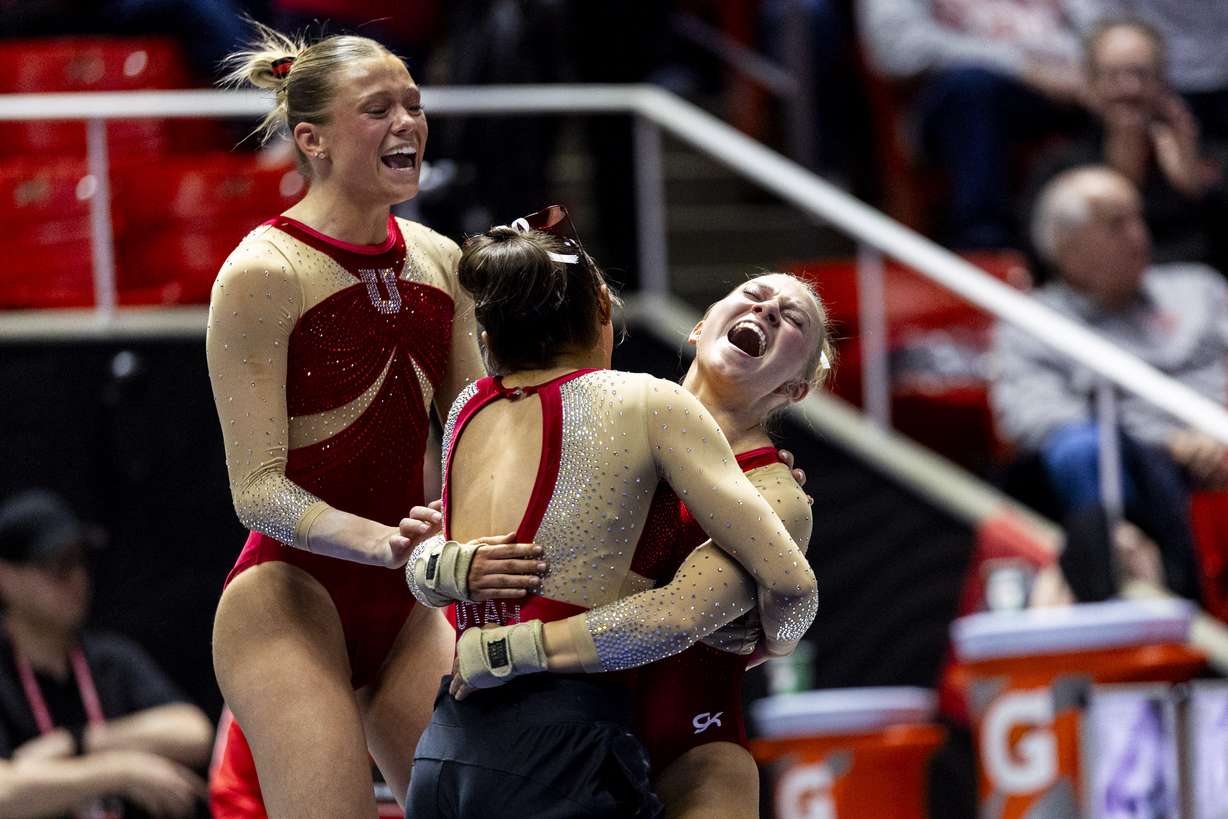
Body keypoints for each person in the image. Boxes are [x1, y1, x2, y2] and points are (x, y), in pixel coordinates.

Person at [401, 211, 821, 817]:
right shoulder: (613, 413)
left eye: (794, 320)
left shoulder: (775, 490)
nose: (770, 310)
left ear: (796, 388)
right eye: (755, 295)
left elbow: (712, 608)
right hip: (568, 722)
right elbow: (475, 546)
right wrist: (441, 561)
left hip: (691, 743)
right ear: (700, 328)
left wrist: (772, 639)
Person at [206, 22, 488, 818]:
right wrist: (378, 539)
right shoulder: (266, 270)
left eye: (413, 105)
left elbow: (480, 437)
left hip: (405, 601)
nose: (407, 123)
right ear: (313, 139)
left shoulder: (442, 262)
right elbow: (257, 489)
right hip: (290, 595)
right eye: (377, 110)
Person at [992, 164, 1228, 602]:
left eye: (1139, 217)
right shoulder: (1033, 322)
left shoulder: (1200, 289)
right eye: (1116, 224)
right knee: (1080, 447)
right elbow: (1032, 419)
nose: (1139, 234)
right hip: (1142, 469)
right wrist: (1172, 444)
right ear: (1068, 249)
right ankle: (1141, 580)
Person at [0, 490, 213, 819]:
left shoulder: (109, 659)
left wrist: (77, 742)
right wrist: (121, 770)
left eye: (80, 561)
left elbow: (193, 731)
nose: (78, 579)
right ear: (6, 577)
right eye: (58, 566)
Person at [856, 0, 1095, 248]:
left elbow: (1100, 26)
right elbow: (897, 48)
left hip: (1066, 78)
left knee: (1123, 81)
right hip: (953, 95)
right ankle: (984, 245)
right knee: (972, 89)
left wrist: (1091, 66)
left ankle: (1109, 224)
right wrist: (1018, 65)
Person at [1028, 17, 1228, 277]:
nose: (1130, 88)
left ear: (1164, 83)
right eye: (1113, 75)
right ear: (1090, 86)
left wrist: (1197, 188)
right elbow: (1043, 261)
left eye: (1142, 74)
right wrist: (1117, 182)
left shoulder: (1207, 159)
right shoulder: (1059, 167)